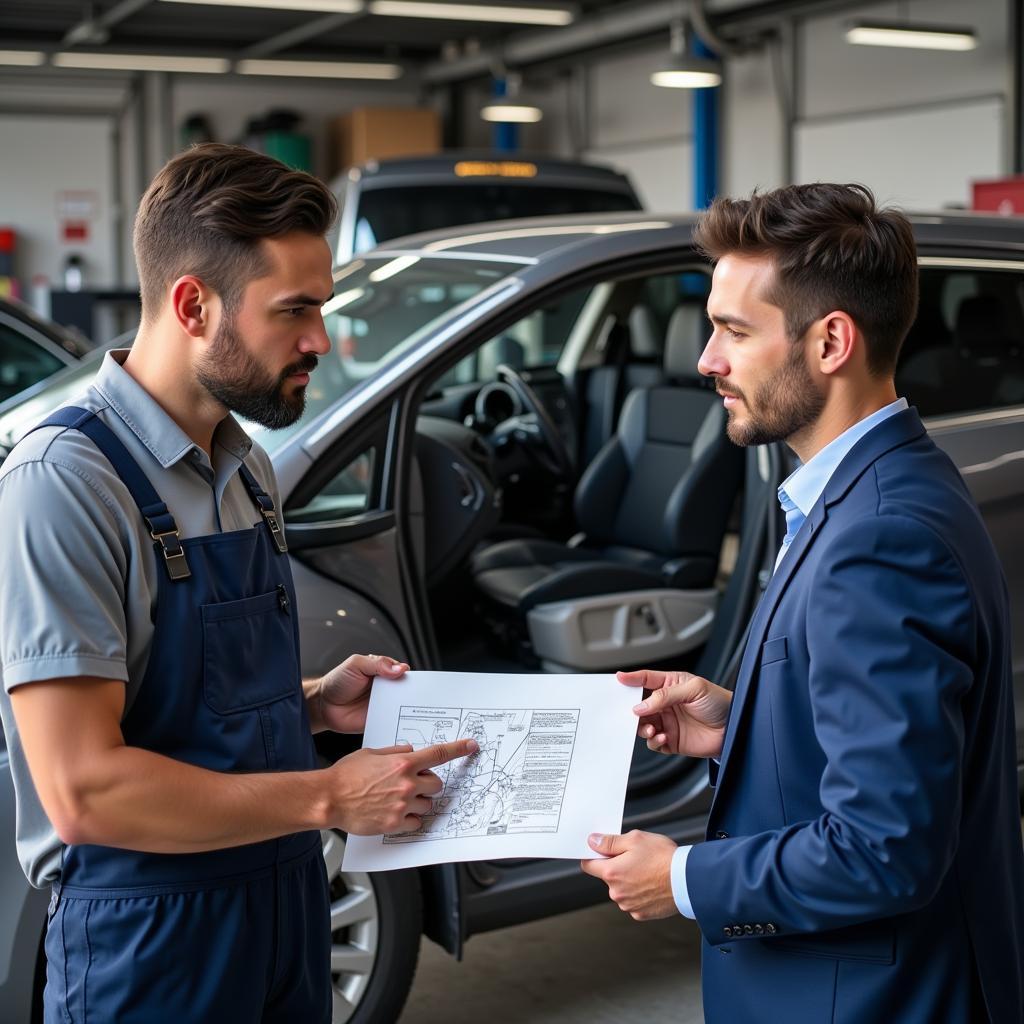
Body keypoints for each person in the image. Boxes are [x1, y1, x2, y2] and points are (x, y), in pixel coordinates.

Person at [0, 143, 477, 1023]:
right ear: (193, 305)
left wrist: (306, 705)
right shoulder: (66, 483)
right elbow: (84, 790)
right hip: (149, 946)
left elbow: (177, 715)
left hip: (282, 905)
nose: (320, 343)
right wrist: (333, 795)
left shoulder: (247, 465)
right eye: (293, 311)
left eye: (322, 309)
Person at [581, 183, 1024, 1023]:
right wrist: (739, 721)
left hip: (867, 999)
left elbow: (884, 851)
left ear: (830, 342)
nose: (708, 359)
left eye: (735, 331)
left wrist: (678, 879)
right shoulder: (879, 488)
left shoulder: (880, 537)